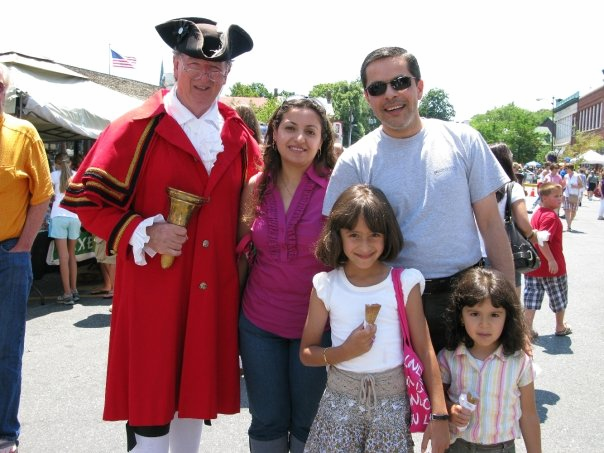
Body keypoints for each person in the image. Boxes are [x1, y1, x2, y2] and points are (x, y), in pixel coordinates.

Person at [61, 17, 260, 453]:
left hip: (212, 293)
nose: (205, 77)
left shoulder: (238, 136)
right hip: (154, 294)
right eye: (195, 65)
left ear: (228, 73)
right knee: (150, 401)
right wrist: (141, 231)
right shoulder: (136, 126)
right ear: (175, 64)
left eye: (216, 68)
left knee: (194, 398)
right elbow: (84, 201)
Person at [322, 46, 514, 353]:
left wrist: (510, 307)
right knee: (402, 386)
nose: (390, 94)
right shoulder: (355, 161)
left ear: (419, 87)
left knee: (474, 384)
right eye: (377, 88)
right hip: (390, 301)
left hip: (467, 299)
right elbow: (338, 242)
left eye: (400, 82)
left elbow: (492, 225)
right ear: (368, 97)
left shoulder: (464, 140)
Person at [300, 184, 449, 453]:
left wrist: (439, 415)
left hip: (391, 410)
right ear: (338, 234)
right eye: (354, 235)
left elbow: (425, 350)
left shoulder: (404, 283)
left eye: (374, 235)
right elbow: (307, 353)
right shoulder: (326, 285)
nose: (365, 246)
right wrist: (345, 352)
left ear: (387, 235)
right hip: (338, 405)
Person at [237, 97, 336, 453]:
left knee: (311, 421)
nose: (299, 138)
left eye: (310, 131)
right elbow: (242, 256)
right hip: (258, 324)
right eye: (291, 128)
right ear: (274, 133)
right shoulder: (255, 186)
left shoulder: (337, 189)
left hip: (318, 327)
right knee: (267, 419)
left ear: (322, 140)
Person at [0, 63, 54, 453]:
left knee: (6, 348)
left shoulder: (23, 134)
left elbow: (42, 195)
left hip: (9, 255)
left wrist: (23, 247)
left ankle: (5, 431)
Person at [439, 267, 541, 453]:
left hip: (502, 448)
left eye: (494, 315)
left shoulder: (519, 362)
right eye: (474, 313)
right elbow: (437, 399)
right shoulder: (449, 357)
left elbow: (529, 415)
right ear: (461, 316)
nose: (484, 324)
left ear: (507, 317)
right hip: (456, 446)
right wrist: (450, 409)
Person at [485, 144, 538, 298]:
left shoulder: (478, 186)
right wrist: (533, 236)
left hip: (476, 254)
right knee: (509, 303)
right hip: (505, 252)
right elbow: (523, 222)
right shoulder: (513, 187)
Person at [523, 183, 572, 338]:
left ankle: (527, 329)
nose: (560, 198)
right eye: (556, 196)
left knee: (531, 298)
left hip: (534, 266)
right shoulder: (550, 216)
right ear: (544, 197)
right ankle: (560, 326)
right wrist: (551, 260)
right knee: (559, 297)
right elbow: (542, 239)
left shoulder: (537, 213)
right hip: (553, 267)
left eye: (560, 195)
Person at [49, 152, 81, 304]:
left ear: (56, 164)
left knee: (63, 257)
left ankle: (67, 293)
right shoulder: (76, 175)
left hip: (58, 215)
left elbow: (48, 195)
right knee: (72, 255)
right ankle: (74, 290)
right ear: (70, 163)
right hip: (74, 216)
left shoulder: (53, 175)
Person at [91, 236, 116, 301]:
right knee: (104, 259)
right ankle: (110, 287)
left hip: (107, 234)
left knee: (110, 260)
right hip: (104, 235)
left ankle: (114, 289)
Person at [562, 164, 582, 232]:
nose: (566, 170)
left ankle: (569, 223)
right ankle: (569, 226)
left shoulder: (577, 176)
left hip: (575, 196)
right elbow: (564, 185)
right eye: (565, 168)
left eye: (567, 168)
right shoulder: (566, 176)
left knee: (573, 211)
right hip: (567, 195)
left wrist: (575, 186)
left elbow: (581, 185)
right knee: (567, 210)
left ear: (571, 168)